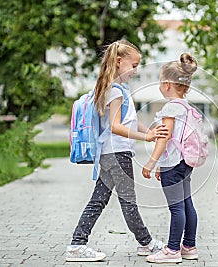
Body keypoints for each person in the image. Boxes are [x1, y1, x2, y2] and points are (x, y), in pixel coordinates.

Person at [65, 40, 167, 262]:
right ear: (119, 62)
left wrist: (149, 130)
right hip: (117, 154)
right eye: (134, 65)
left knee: (99, 200)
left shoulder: (116, 89)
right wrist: (146, 137)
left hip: (111, 154)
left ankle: (77, 244)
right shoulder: (115, 92)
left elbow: (130, 122)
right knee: (128, 202)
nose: (136, 70)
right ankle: (147, 243)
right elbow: (115, 126)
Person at [142, 53, 199, 263]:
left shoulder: (170, 108)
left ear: (167, 84)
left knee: (176, 208)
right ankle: (189, 246)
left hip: (173, 166)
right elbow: (177, 138)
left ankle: (173, 250)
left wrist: (151, 162)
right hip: (184, 162)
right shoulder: (187, 107)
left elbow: (164, 138)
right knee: (186, 204)